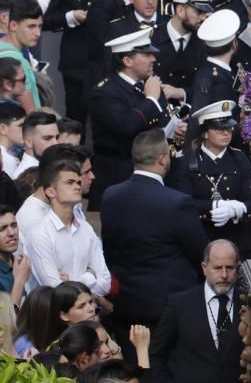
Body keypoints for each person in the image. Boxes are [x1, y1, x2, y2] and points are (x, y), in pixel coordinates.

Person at [101, 130, 207, 353]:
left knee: (134, 366)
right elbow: (200, 254)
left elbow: (109, 248)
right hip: (168, 304)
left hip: (126, 301)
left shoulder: (110, 195)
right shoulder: (176, 202)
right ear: (163, 158)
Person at [89, 29, 182, 210]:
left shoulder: (148, 85)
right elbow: (127, 126)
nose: (153, 59)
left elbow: (158, 123)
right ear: (127, 60)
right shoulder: (105, 92)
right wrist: (151, 101)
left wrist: (175, 129)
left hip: (153, 175)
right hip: (121, 179)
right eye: (146, 54)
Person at [167, 103, 251, 256]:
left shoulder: (240, 158)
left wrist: (238, 209)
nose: (226, 133)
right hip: (201, 237)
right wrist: (214, 204)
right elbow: (182, 203)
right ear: (205, 133)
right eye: (219, 129)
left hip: (235, 238)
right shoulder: (186, 162)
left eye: (228, 128)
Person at [148, 239, 242, 382]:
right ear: (204, 268)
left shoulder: (247, 303)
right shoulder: (180, 304)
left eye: (230, 267)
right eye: (217, 268)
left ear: (238, 268)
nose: (224, 274)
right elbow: (156, 354)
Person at [25, 158, 110, 297]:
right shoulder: (39, 233)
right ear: (51, 192)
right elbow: (54, 290)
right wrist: (90, 276)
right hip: (53, 316)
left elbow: (105, 284)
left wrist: (70, 281)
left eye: (78, 182)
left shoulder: (86, 229)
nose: (77, 186)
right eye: (69, 183)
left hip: (87, 314)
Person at [0, 205, 31, 301]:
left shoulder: (20, 263)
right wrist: (20, 281)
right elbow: (7, 316)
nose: (12, 233)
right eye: (2, 229)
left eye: (14, 225)